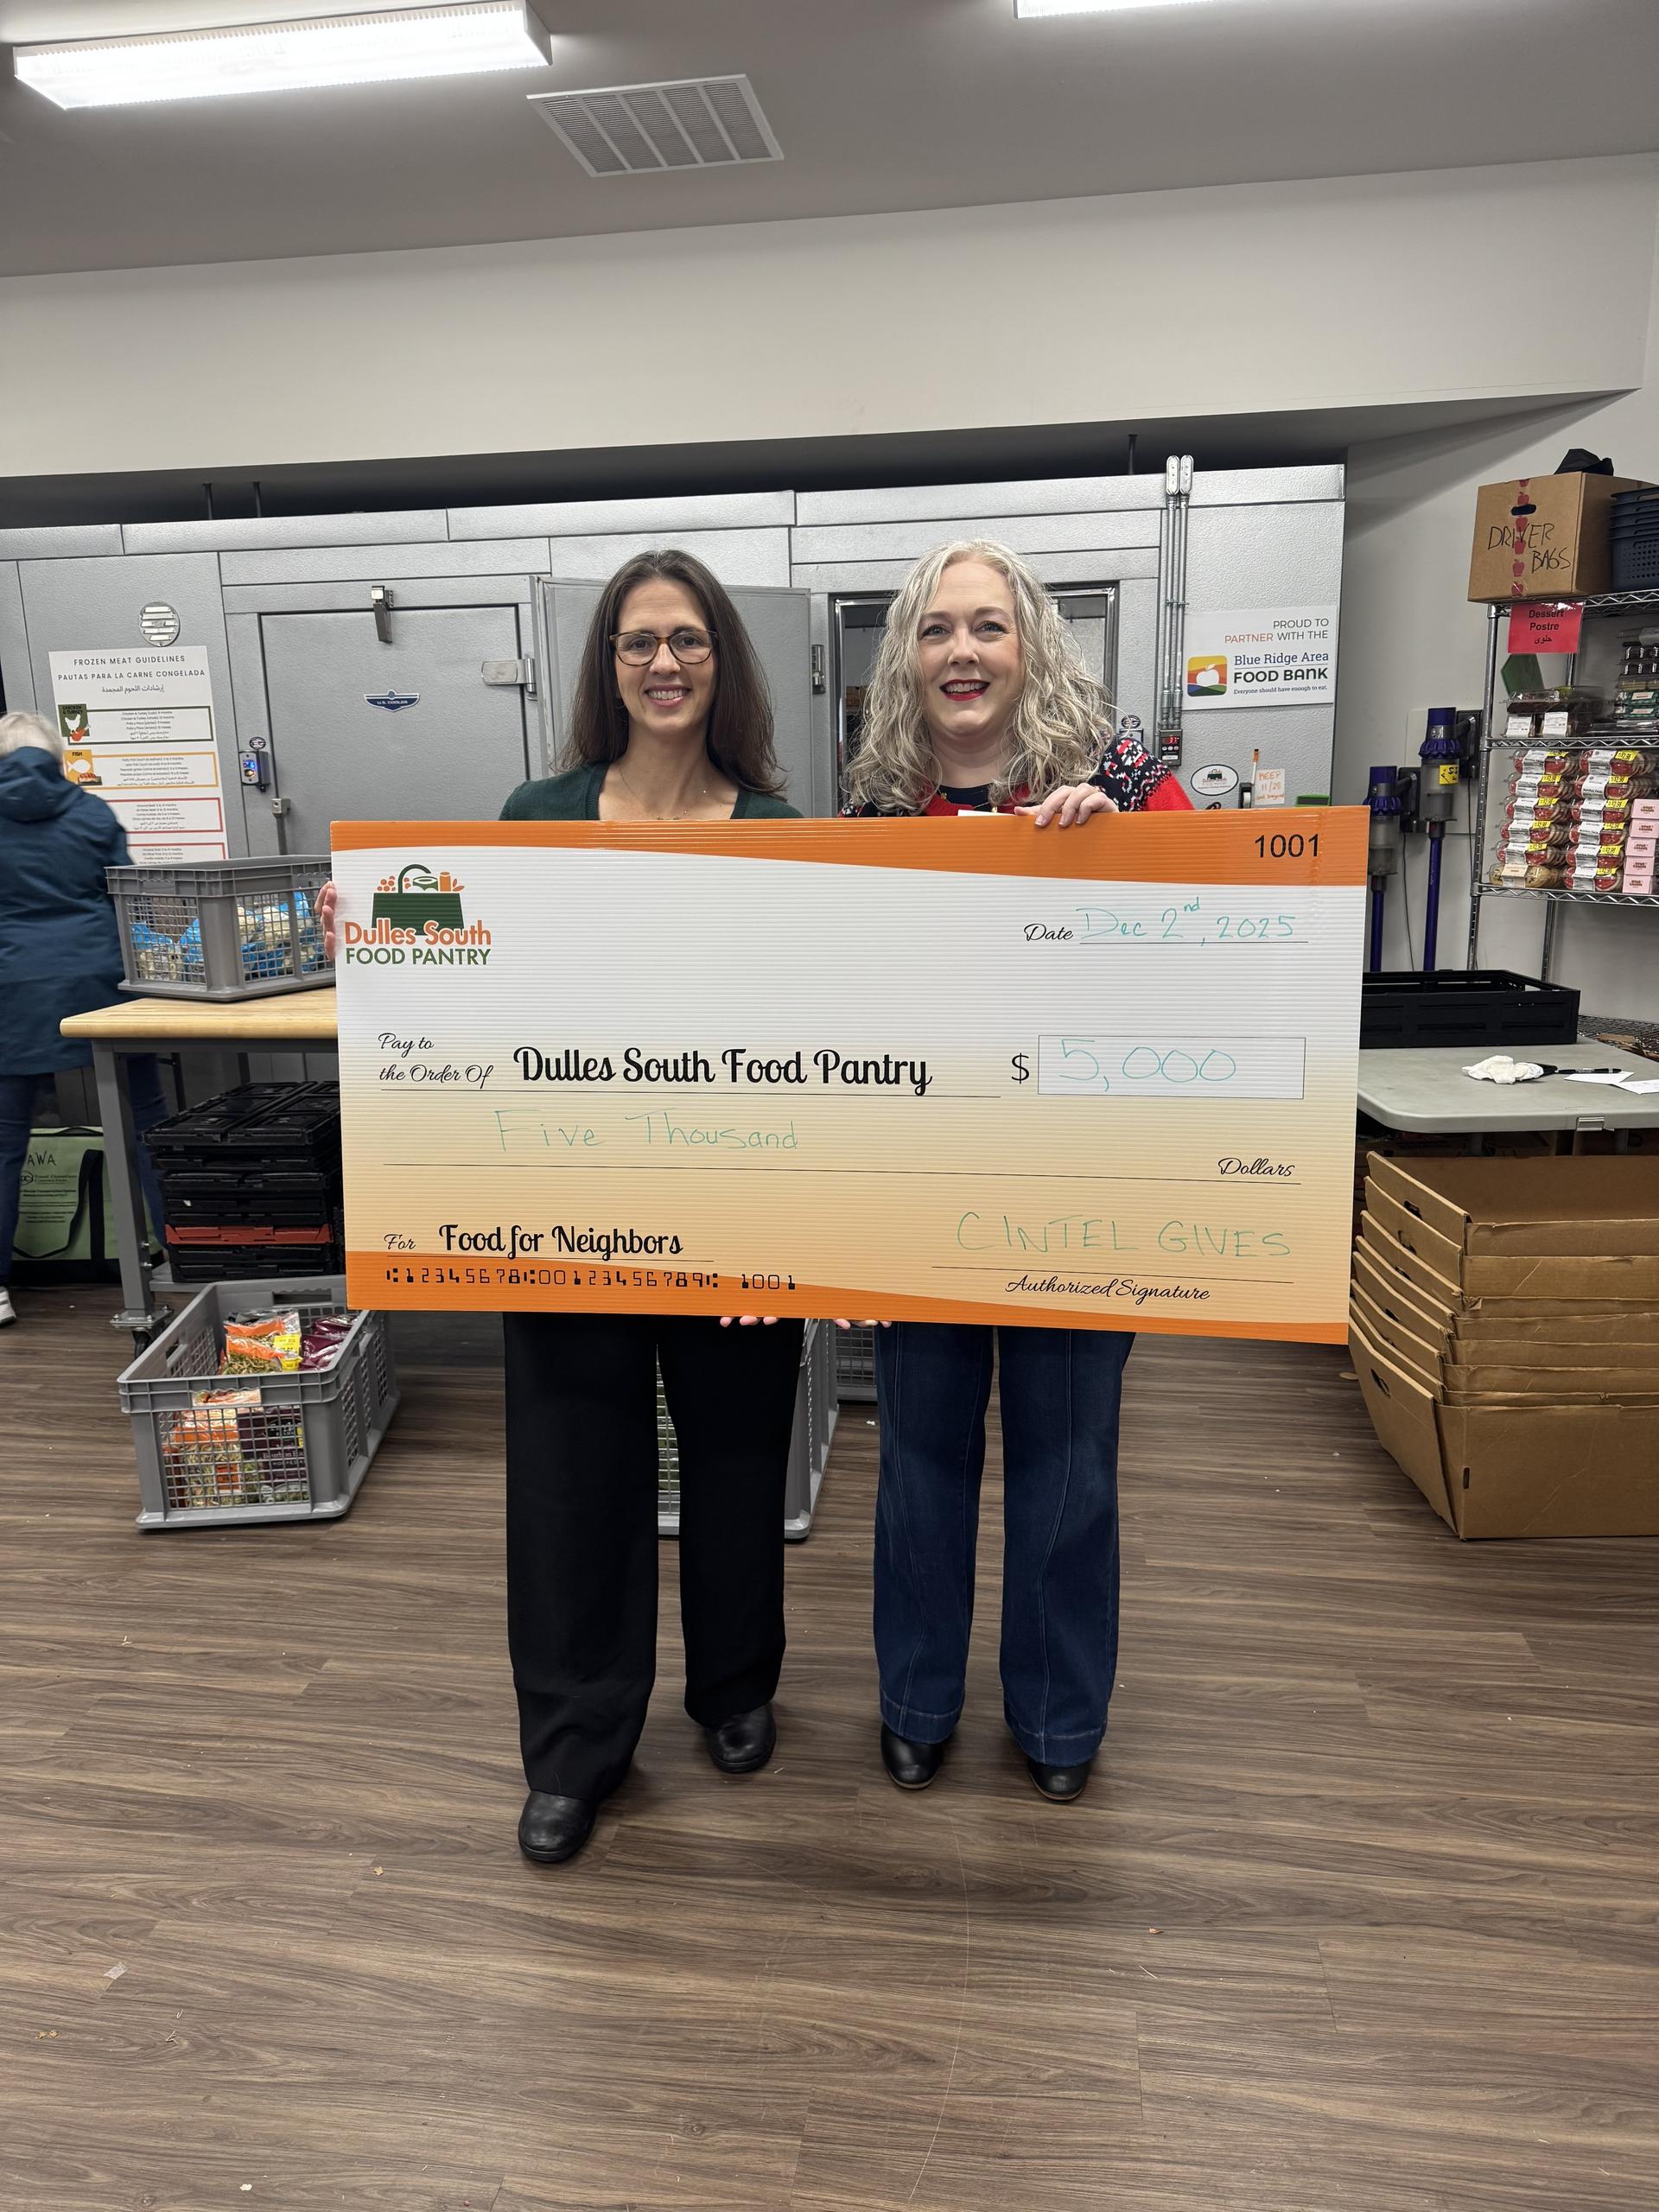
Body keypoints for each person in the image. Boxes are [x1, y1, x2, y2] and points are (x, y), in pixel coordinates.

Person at [321, 550, 805, 1868]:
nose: (664, 662)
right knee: (573, 1476)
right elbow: (465, 978)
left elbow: (820, 1029)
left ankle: (736, 1688)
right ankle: (578, 1742)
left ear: (722, 664)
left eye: (689, 640)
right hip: (565, 1204)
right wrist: (366, 931)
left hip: (731, 1207)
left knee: (738, 1458)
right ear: (608, 665)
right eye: (640, 640)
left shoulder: (777, 829)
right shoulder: (534, 813)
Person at [843, 537, 1191, 1804]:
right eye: (938, 630)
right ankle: (916, 1703)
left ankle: (1058, 1720)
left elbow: (1213, 965)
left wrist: (1123, 862)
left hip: (1080, 1191)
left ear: (1031, 646)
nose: (963, 652)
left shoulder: (1128, 801)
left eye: (987, 626)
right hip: (925, 1191)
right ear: (909, 660)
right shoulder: (871, 823)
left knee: (1070, 1466)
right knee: (920, 1461)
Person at [0, 712, 168, 1328]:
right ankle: (181, 1254)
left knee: (3, 1142)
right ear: (56, 756)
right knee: (145, 1119)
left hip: (11, 989)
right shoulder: (93, 814)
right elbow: (126, 896)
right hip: (100, 982)